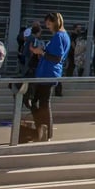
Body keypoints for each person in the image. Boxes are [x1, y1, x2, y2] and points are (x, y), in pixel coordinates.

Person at [30, 12, 71, 141]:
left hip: (48, 73)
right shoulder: (64, 36)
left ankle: (44, 130)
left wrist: (41, 52)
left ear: (55, 22)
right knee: (41, 102)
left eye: (49, 23)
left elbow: (57, 58)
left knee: (41, 102)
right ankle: (44, 130)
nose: (47, 27)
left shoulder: (58, 36)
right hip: (49, 73)